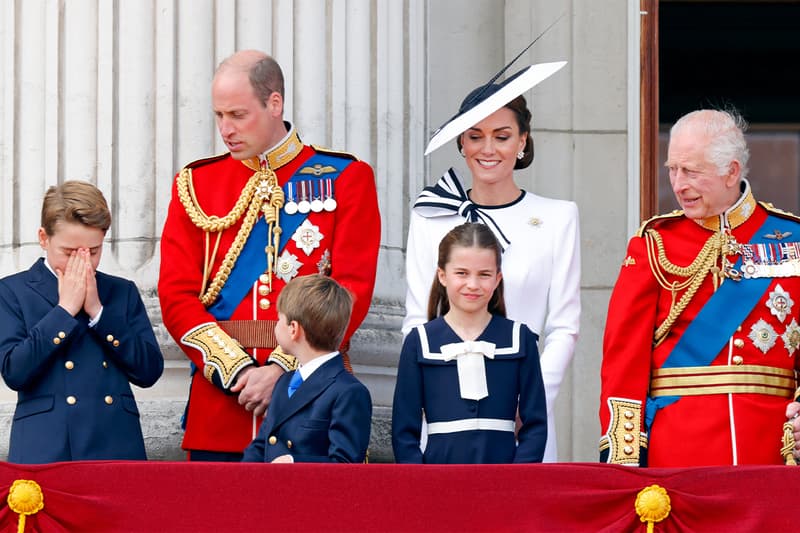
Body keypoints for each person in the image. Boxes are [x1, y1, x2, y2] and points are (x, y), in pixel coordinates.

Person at [158, 50, 380, 461]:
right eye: (219, 115)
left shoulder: (345, 178)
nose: (226, 129)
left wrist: (282, 368)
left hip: (311, 406)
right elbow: (175, 297)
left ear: (274, 103)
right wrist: (239, 373)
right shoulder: (196, 183)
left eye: (238, 115)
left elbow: (351, 291)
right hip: (222, 407)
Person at [600, 108, 800, 467]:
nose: (678, 184)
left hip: (773, 450)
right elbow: (622, 364)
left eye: (691, 171)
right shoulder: (655, 244)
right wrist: (624, 463)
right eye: (672, 170)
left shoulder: (792, 240)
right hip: (678, 453)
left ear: (731, 172)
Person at [403, 72, 580, 462]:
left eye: (501, 136)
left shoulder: (558, 217)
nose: (488, 149)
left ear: (522, 141)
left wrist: (529, 400)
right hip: (445, 418)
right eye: (475, 135)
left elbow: (564, 327)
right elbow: (417, 319)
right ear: (461, 143)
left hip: (522, 419)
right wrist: (433, 399)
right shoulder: (431, 216)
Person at [0, 181, 164, 463]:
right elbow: (14, 371)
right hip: (47, 447)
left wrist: (99, 312)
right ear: (43, 238)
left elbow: (148, 371)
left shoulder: (120, 291)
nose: (83, 263)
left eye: (93, 251)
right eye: (69, 251)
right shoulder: (13, 291)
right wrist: (64, 311)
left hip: (115, 443)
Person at [393, 223, 547, 463]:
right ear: (442, 275)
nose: (473, 284)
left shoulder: (520, 339)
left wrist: (519, 479)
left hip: (505, 483)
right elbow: (404, 431)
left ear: (497, 279)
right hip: (438, 483)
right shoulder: (420, 342)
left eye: (484, 274)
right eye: (462, 273)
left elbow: (535, 424)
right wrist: (421, 482)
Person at [242, 274, 371, 463]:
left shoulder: (349, 392)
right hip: (269, 489)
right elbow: (261, 446)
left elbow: (345, 464)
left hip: (311, 491)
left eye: (279, 319)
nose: (276, 326)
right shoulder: (284, 382)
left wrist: (295, 465)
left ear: (293, 329)